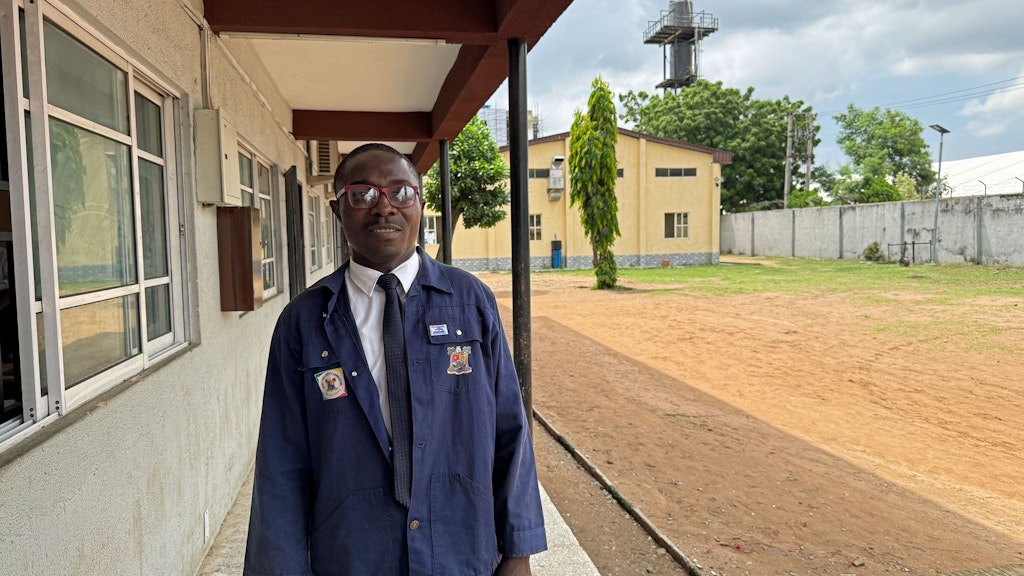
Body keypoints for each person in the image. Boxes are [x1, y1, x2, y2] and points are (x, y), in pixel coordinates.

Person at [244, 143, 546, 576]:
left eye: (401, 192)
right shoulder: (305, 321)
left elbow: (510, 431)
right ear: (337, 209)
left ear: (420, 205)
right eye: (363, 194)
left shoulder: (470, 303)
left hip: (461, 549)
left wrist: (518, 553)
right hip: (353, 555)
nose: (384, 207)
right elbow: (281, 462)